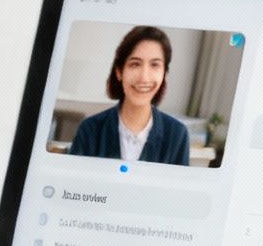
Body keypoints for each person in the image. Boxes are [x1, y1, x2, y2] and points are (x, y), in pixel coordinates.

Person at [66, 25, 192, 165]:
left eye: (155, 65)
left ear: (164, 74)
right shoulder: (90, 130)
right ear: (119, 72)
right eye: (135, 64)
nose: (144, 78)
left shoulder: (177, 135)